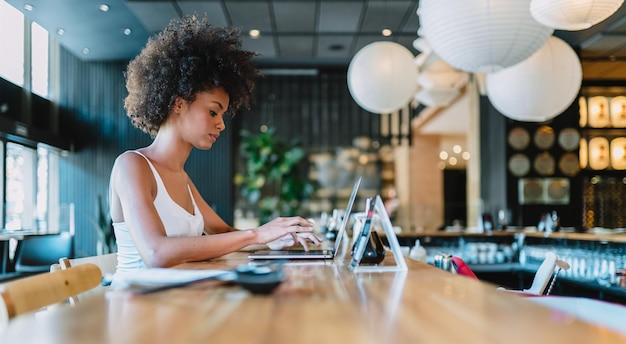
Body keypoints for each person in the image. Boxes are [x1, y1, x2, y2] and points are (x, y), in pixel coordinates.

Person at [108, 15, 321, 277]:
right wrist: (256, 234)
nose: (221, 125)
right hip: (135, 310)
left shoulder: (182, 178)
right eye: (213, 112)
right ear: (178, 104)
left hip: (175, 304)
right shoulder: (133, 165)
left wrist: (270, 238)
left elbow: (226, 235)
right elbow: (156, 253)